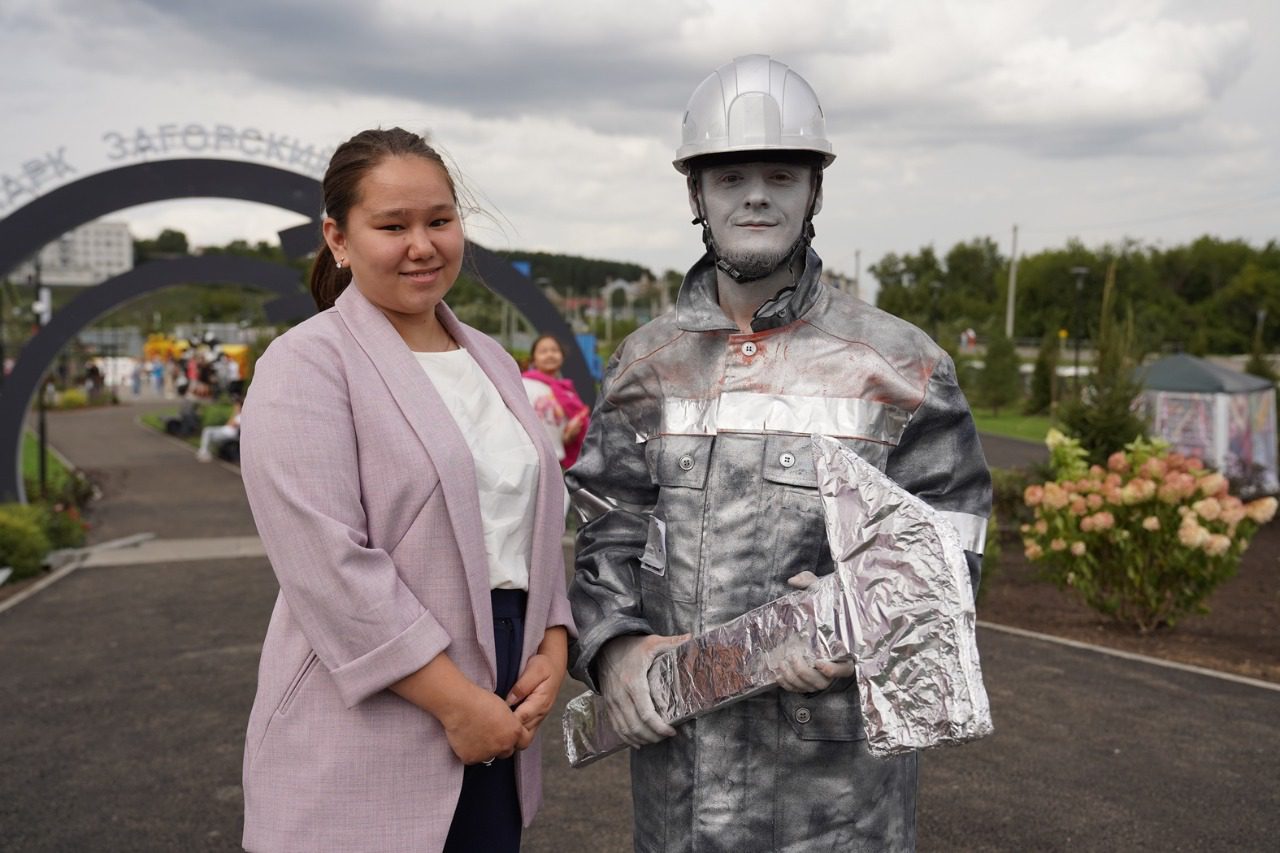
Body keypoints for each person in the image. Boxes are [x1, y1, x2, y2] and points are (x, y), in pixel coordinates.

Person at [567, 55, 992, 852]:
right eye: (729, 177)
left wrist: (851, 620)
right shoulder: (644, 365)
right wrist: (615, 649)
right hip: (680, 793)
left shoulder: (903, 368)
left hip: (833, 808)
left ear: (815, 191)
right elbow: (605, 531)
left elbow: (951, 548)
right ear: (695, 194)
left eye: (780, 174)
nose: (755, 194)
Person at [238, 127, 574, 853]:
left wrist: (551, 642)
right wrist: (456, 704)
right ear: (338, 236)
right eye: (392, 226)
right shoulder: (306, 364)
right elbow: (327, 564)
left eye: (439, 220)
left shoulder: (489, 358)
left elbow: (530, 521)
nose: (422, 244)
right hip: (384, 708)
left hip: (504, 693)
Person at [521, 334, 590, 469]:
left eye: (554, 350)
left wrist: (569, 436)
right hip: (531, 459)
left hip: (558, 461)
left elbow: (566, 431)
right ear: (533, 359)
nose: (550, 355)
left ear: (562, 356)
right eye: (543, 351)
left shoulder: (567, 391)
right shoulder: (523, 384)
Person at [195, 397, 240, 462]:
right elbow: (228, 423)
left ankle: (204, 452)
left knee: (208, 434)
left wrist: (234, 413)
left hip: (229, 434)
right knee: (207, 430)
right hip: (224, 430)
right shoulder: (235, 415)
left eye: (236, 406)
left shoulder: (240, 416)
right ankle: (204, 451)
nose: (234, 407)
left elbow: (231, 424)